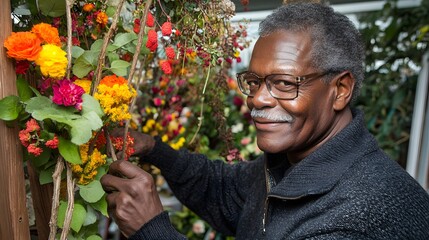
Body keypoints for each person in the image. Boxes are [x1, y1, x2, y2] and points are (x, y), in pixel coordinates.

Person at [100, 2, 429, 239]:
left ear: (340, 89)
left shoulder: (358, 215)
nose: (257, 99)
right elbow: (224, 190)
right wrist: (154, 150)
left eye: (285, 84)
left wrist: (152, 230)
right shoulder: (289, 165)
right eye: (254, 82)